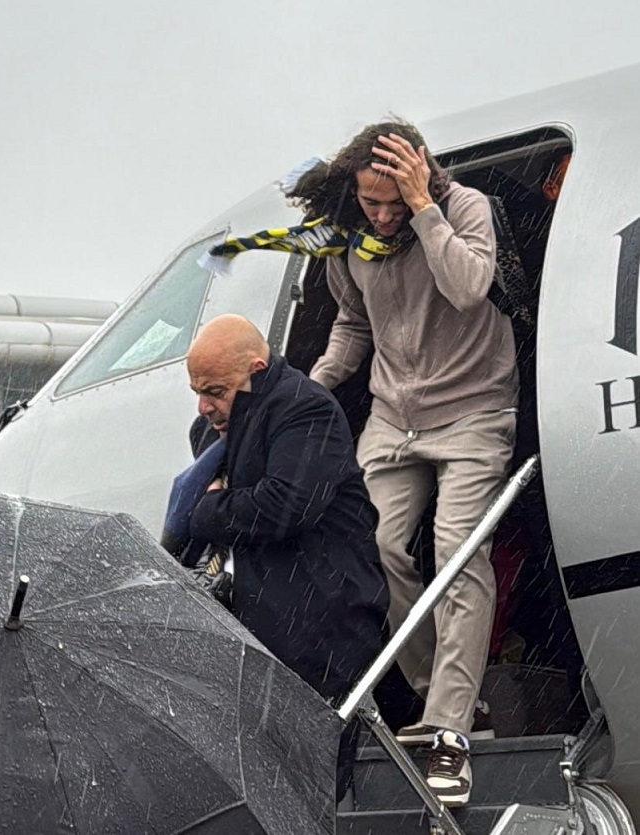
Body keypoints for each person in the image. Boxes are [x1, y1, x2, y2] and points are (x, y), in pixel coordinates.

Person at [299, 120, 518, 808]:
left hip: (475, 408)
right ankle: (446, 698)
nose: (385, 215)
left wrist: (425, 209)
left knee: (458, 551)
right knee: (370, 549)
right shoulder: (350, 239)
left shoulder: (463, 208)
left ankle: (449, 730)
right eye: (373, 202)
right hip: (395, 415)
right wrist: (312, 387)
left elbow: (469, 287)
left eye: (396, 200)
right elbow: (353, 324)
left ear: (423, 176)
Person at [180, 314, 389, 798]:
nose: (204, 406)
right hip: (269, 624)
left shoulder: (304, 408)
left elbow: (284, 507)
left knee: (304, 780)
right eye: (197, 391)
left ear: (256, 370)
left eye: (215, 391)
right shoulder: (213, 431)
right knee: (270, 779)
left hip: (321, 622)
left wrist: (207, 509)